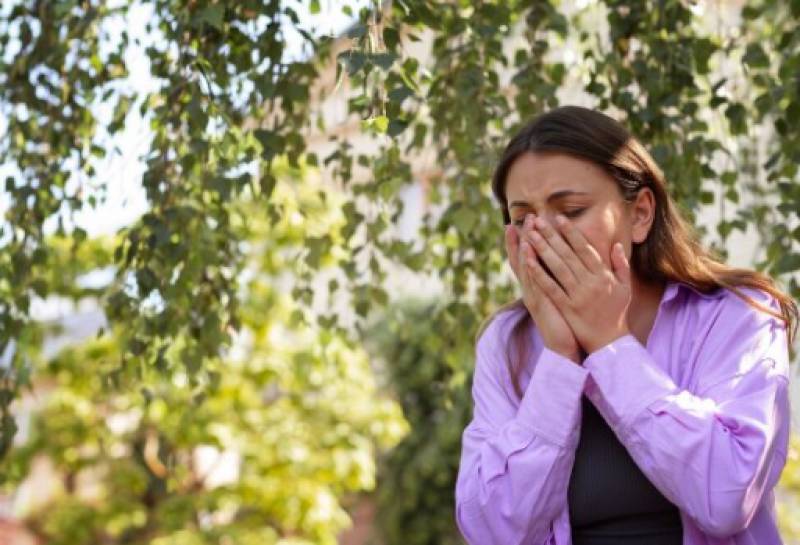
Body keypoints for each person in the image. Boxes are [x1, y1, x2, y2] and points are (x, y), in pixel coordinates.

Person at [454, 105, 798, 545]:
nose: (542, 236)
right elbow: (490, 529)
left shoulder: (737, 316)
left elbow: (729, 495)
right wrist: (560, 360)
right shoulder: (508, 341)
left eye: (571, 210)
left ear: (640, 214)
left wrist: (610, 344)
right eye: (522, 219)